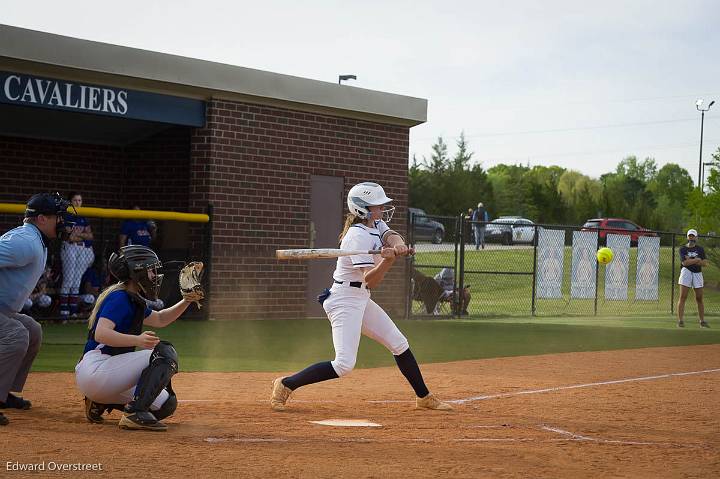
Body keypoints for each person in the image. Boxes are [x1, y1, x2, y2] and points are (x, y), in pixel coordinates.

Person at [270, 182, 452, 412]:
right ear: (362, 209)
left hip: (360, 297)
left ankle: (424, 397)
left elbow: (391, 234)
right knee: (344, 364)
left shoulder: (375, 224)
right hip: (344, 300)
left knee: (399, 344)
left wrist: (400, 246)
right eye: (377, 206)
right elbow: (371, 280)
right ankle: (286, 384)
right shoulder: (357, 237)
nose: (381, 210)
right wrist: (388, 260)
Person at [75, 245, 193, 431]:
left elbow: (161, 319)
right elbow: (102, 333)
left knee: (165, 405)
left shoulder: (132, 299)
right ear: (137, 272)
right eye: (151, 270)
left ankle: (99, 402)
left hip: (106, 376)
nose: (155, 275)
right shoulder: (119, 297)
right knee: (164, 352)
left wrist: (187, 300)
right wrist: (137, 340)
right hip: (97, 368)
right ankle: (134, 413)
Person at [0, 192, 69, 426]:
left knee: (31, 330)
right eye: (57, 217)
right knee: (16, 335)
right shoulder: (26, 242)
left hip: (4, 309)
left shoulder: (36, 240)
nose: (61, 221)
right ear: (41, 219)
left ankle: (4, 391)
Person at [60, 192, 95, 319]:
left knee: (76, 280)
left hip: (81, 250)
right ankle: (64, 313)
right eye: (75, 200)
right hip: (69, 248)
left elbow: (90, 236)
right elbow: (68, 237)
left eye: (80, 200)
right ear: (70, 202)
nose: (78, 203)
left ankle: (73, 312)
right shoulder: (68, 216)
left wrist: (78, 236)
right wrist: (82, 236)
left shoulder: (83, 217)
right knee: (68, 280)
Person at [677, 229, 709, 328]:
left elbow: (705, 263)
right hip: (686, 272)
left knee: (699, 298)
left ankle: (702, 321)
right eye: (690, 236)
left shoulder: (700, 249)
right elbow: (685, 263)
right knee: (683, 297)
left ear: (696, 237)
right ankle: (680, 321)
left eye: (693, 236)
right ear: (687, 237)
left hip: (697, 273)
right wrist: (697, 259)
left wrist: (691, 260)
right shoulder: (682, 249)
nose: (691, 237)